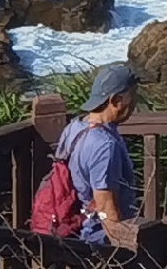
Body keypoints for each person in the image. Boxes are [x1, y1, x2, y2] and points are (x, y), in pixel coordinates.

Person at [59, 65, 146, 251]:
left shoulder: (74, 128)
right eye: (133, 95)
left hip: (79, 230)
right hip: (100, 240)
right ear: (115, 100)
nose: (135, 102)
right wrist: (121, 249)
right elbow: (106, 205)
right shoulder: (105, 145)